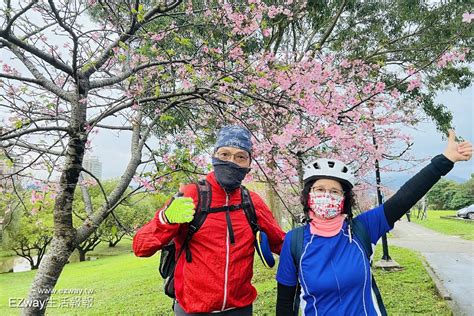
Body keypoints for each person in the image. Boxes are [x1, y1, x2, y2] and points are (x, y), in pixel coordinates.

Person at [275, 130, 472, 316]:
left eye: (334, 191)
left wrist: (446, 160)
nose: (326, 195)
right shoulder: (295, 241)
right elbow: (285, 301)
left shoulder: (363, 228)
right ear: (308, 195)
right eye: (319, 189)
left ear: (344, 199)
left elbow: (404, 198)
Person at [133, 125, 285, 315]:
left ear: (248, 164)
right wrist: (166, 219)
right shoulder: (191, 195)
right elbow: (140, 248)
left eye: (240, 157)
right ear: (214, 157)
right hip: (192, 310)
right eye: (225, 154)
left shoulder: (251, 202)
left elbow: (282, 243)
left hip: (240, 309)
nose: (232, 162)